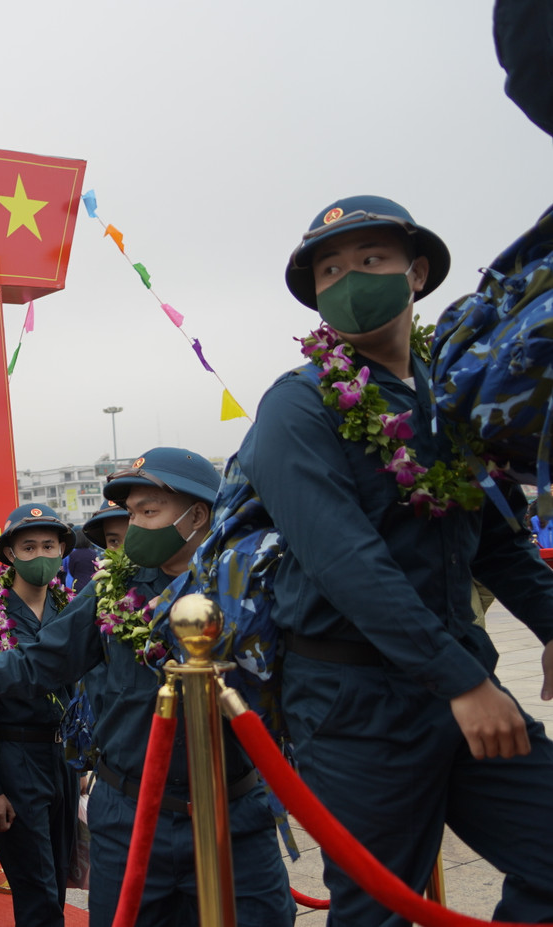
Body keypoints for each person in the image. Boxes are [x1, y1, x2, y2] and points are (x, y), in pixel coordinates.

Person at [236, 195, 553, 924]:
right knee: (379, 908)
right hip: (356, 704)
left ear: (415, 272)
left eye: (371, 261)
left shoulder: (449, 397)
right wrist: (462, 680)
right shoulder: (298, 405)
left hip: (462, 681)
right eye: (331, 270)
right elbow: (346, 560)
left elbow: (496, 533)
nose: (350, 279)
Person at [0, 450, 295, 926]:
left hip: (233, 814)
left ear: (197, 516)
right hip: (130, 817)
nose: (131, 524)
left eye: (146, 511)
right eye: (131, 511)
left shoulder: (251, 586)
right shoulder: (112, 589)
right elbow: (36, 662)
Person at [0, 504, 78, 927]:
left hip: (63, 759)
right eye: (28, 546)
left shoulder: (73, 611)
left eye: (48, 544)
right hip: (15, 757)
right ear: (9, 555)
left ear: (62, 550)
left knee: (58, 878)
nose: (40, 554)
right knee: (35, 885)